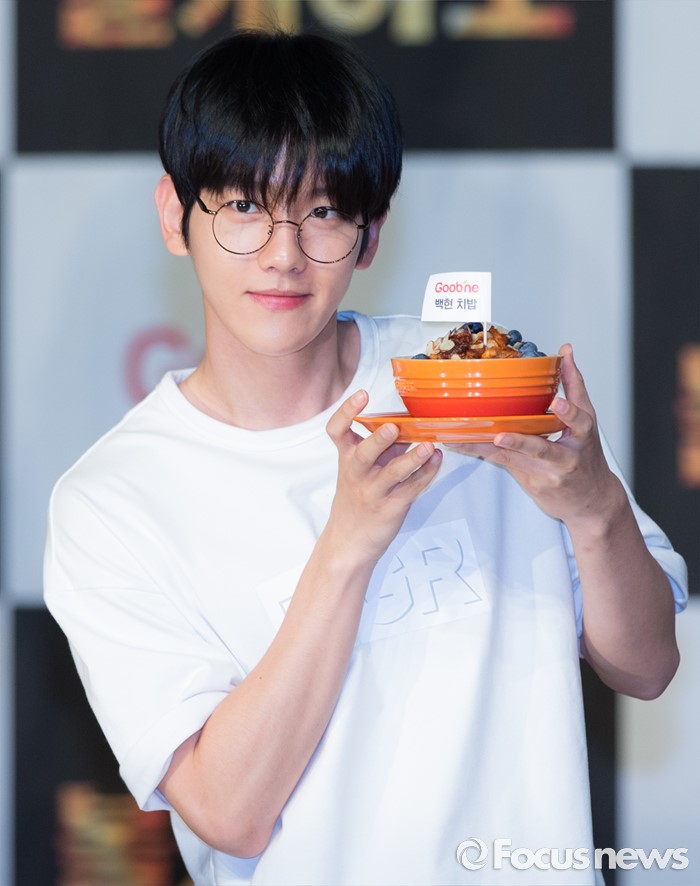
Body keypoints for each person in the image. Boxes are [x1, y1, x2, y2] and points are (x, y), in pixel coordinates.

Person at [44, 28, 687, 886]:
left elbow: (647, 667)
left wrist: (596, 505)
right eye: (244, 208)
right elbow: (228, 814)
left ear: (371, 232)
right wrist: (346, 545)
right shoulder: (111, 501)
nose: (284, 255)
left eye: (323, 212)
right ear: (175, 216)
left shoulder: (472, 379)